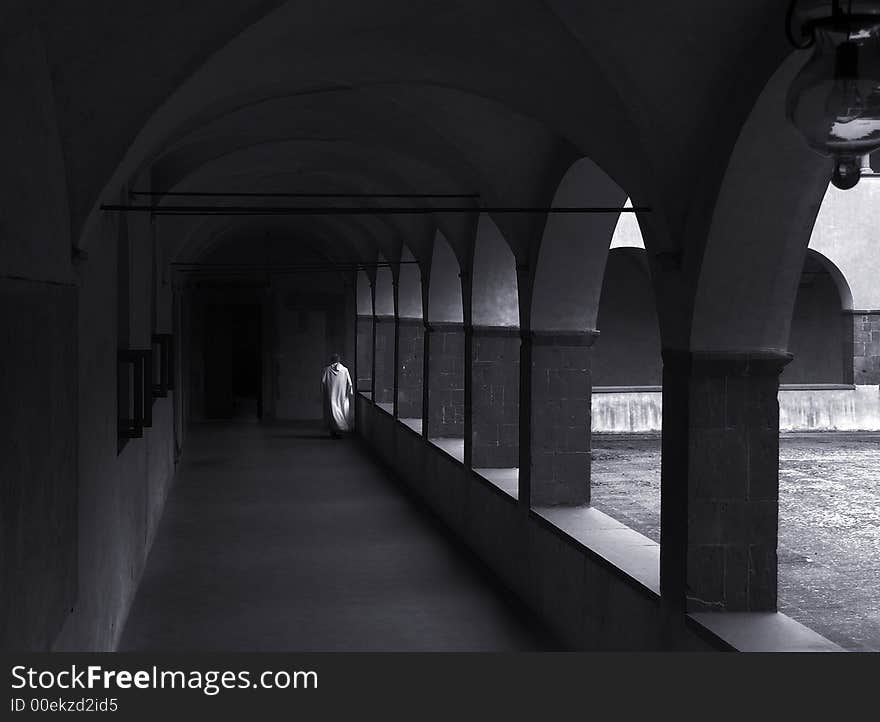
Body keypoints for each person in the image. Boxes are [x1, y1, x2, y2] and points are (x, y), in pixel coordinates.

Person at [321, 353, 353, 438]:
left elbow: (323, 383)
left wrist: (324, 393)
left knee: (332, 412)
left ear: (331, 360)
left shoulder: (326, 370)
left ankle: (333, 431)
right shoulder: (345, 370)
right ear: (339, 360)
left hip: (331, 395)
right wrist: (348, 393)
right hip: (342, 396)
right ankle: (340, 430)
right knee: (341, 411)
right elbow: (350, 384)